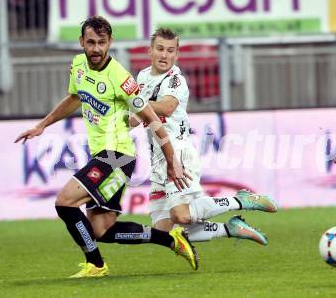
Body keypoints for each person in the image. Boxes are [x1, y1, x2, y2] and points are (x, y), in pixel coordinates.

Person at [14, 16, 198, 278]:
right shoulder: (78, 65)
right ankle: (170, 240)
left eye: (102, 42)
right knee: (102, 230)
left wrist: (171, 160)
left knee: (65, 202)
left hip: (117, 157)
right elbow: (75, 97)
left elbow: (152, 119)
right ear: (82, 42)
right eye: (91, 42)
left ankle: (96, 264)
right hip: (101, 155)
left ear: (110, 42)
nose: (97, 48)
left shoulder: (121, 79)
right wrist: (43, 125)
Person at [130, 28, 277, 244]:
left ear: (177, 54)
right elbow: (138, 116)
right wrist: (118, 121)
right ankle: (230, 229)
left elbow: (167, 107)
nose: (164, 55)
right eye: (160, 49)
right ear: (150, 50)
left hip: (177, 153)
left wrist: (135, 105)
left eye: (170, 51)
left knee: (181, 215)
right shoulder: (142, 77)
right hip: (157, 159)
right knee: (163, 230)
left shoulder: (175, 80)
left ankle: (240, 200)